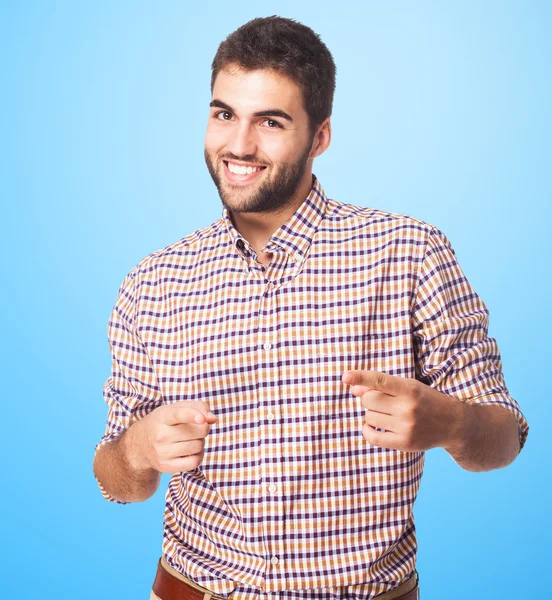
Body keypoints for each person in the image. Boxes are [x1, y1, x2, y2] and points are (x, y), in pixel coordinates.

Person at [93, 16, 529, 600]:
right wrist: (139, 449)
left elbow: (505, 437)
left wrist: (452, 422)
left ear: (319, 136)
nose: (239, 145)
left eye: (270, 122)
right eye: (224, 114)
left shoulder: (409, 254)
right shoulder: (153, 283)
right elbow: (115, 479)